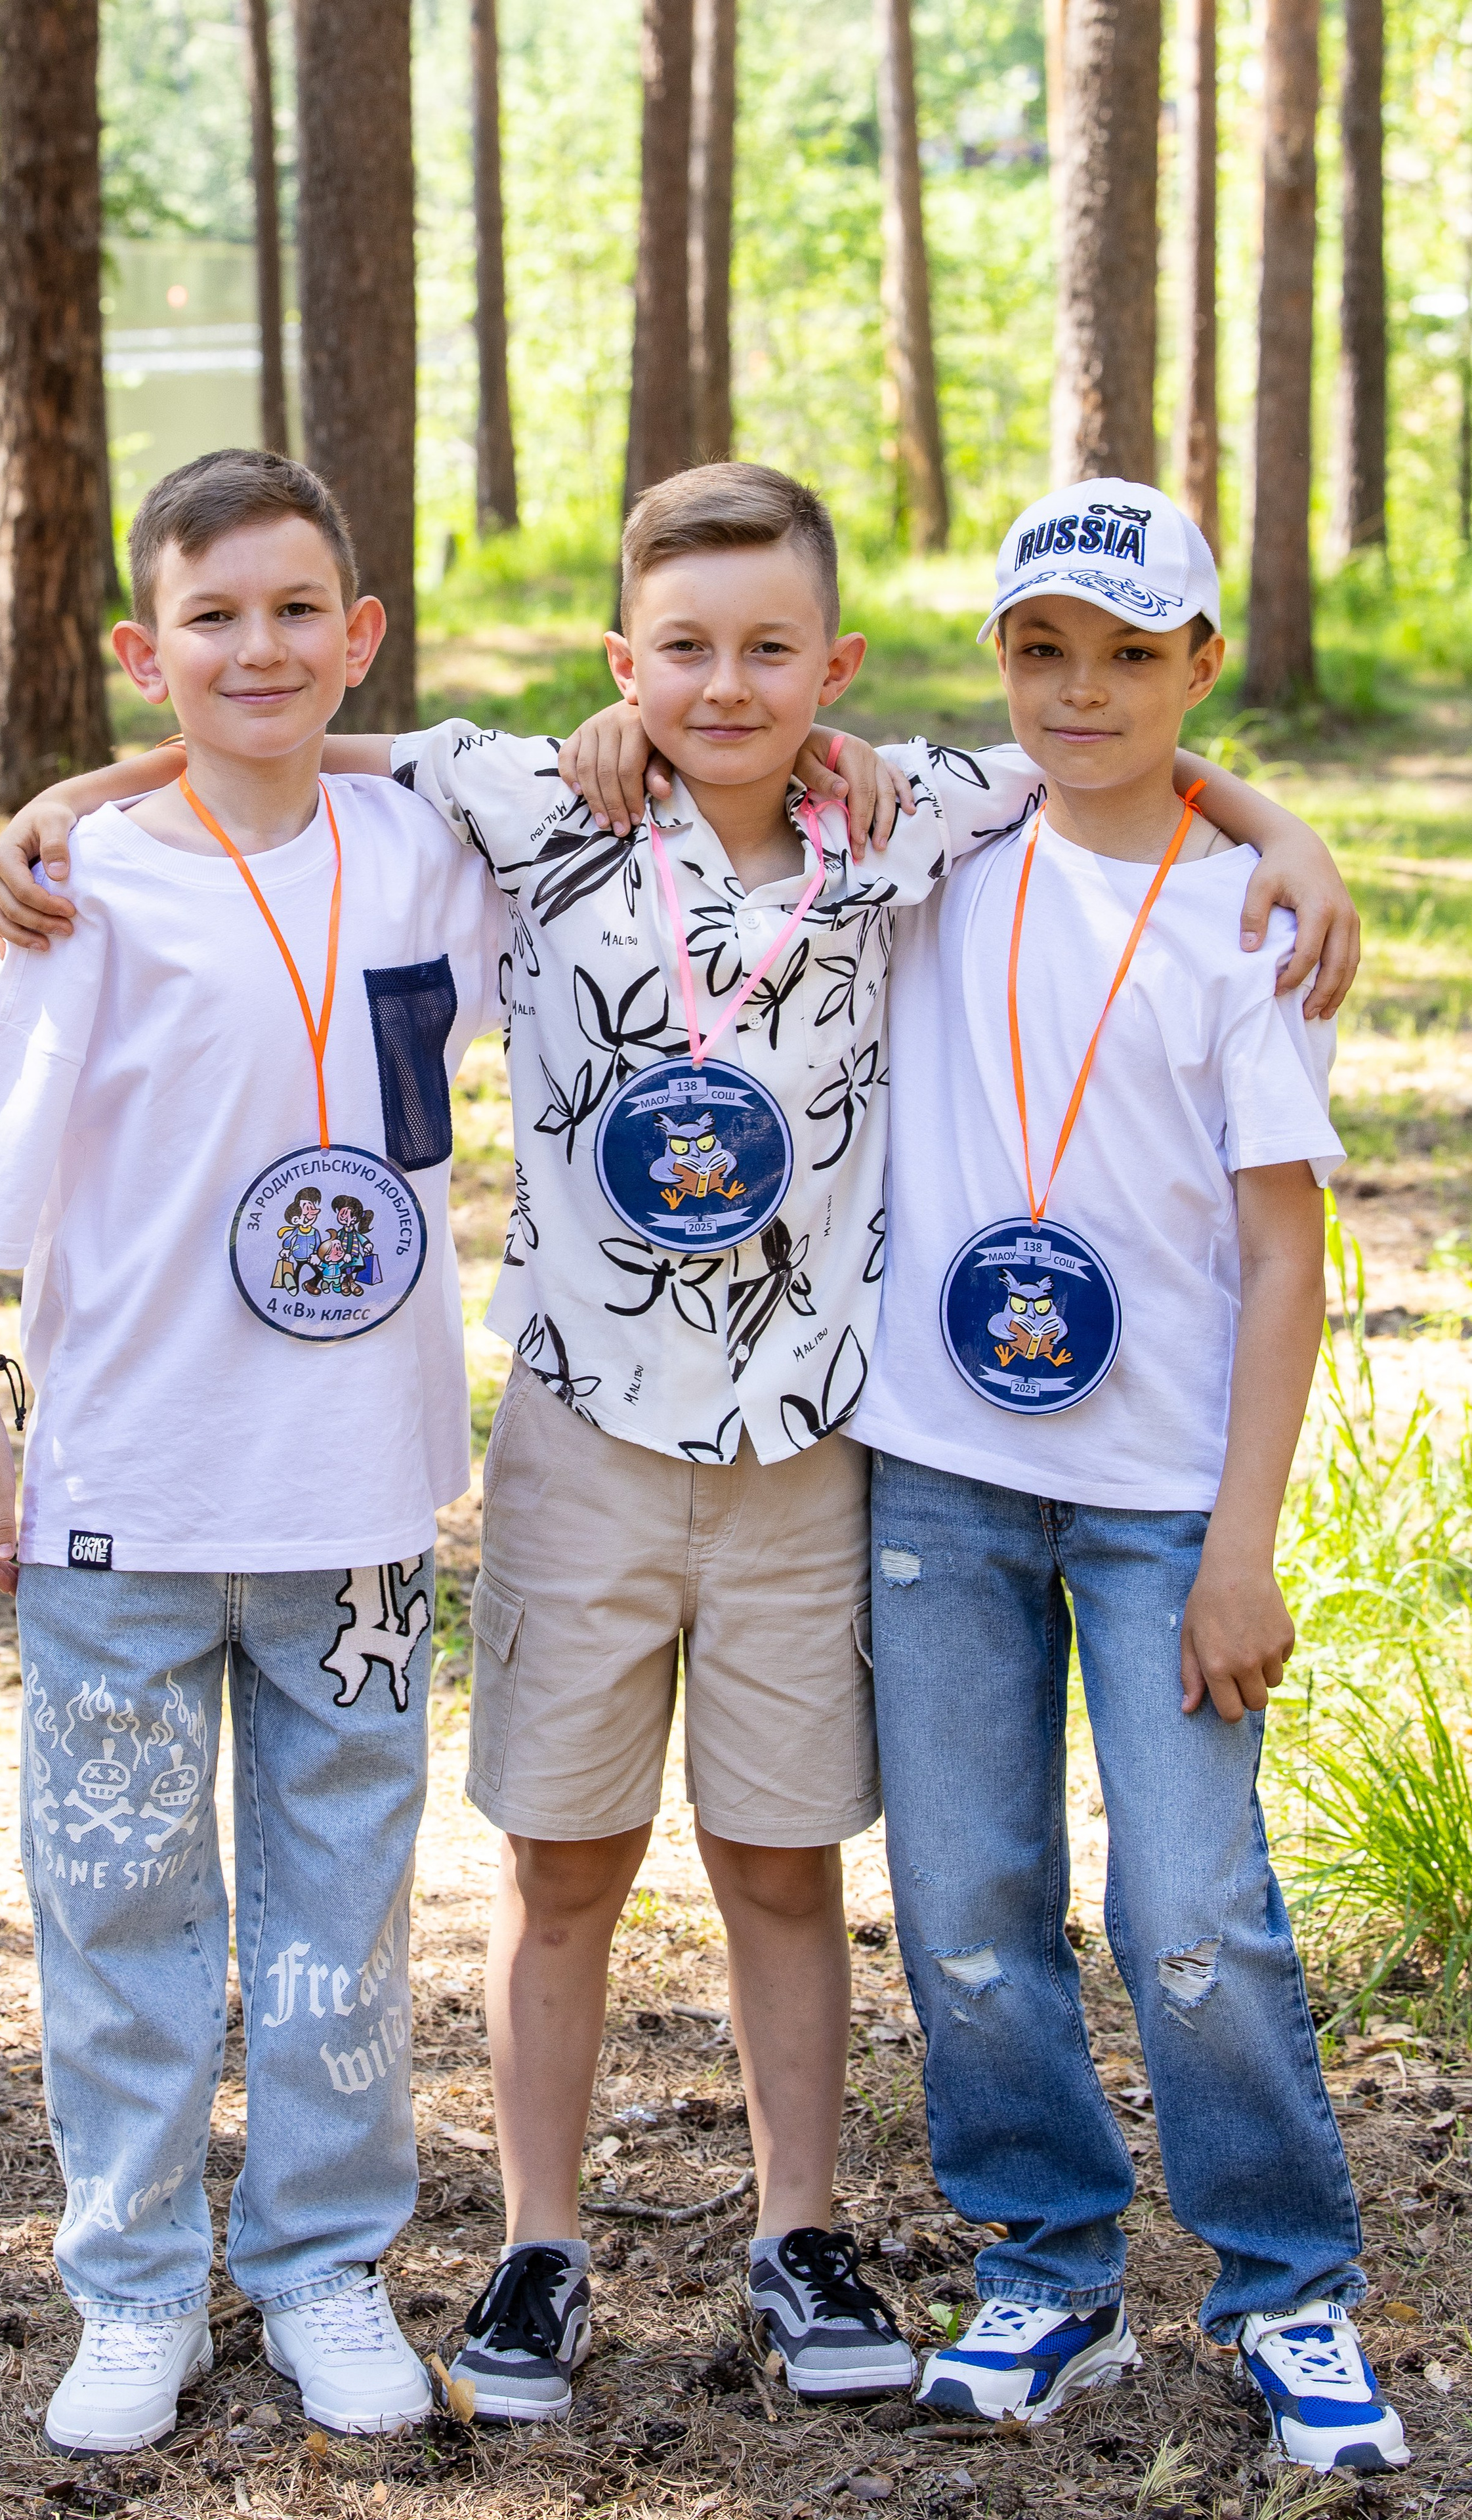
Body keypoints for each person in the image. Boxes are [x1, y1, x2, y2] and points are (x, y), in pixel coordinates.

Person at [0, 463, 1358, 2425]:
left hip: (814, 1451)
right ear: (624, 662)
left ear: (837, 665)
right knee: (566, 1863)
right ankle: (543, 2245)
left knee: (784, 1863)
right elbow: (294, 733)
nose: (726, 686)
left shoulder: (908, 822)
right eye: (685, 650)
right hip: (585, 1440)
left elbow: (1115, 760)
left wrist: (1283, 826)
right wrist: (76, 797)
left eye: (770, 649)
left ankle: (801, 2231)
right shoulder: (545, 807)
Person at [0, 449, 505, 2454]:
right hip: (129, 1500)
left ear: (362, 634)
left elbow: (644, 745)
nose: (255, 649)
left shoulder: (431, 846)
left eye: (294, 612)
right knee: (123, 1903)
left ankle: (326, 2262)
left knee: (345, 1902)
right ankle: (137, 2282)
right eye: (209, 617)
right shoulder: (89, 884)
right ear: (136, 648)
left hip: (354, 1499)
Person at [847, 482, 1407, 2475]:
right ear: (997, 659)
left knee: (1192, 1904)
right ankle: (1047, 2267)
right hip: (939, 1478)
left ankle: (1288, 2288)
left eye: (1129, 654)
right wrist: (104, 789)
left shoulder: (1249, 921)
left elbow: (1280, 1256)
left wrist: (1242, 1544)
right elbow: (677, 734)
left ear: (1198, 667)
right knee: (967, 1900)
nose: (1081, 692)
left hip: (1168, 1494)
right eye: (1040, 650)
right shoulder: (936, 837)